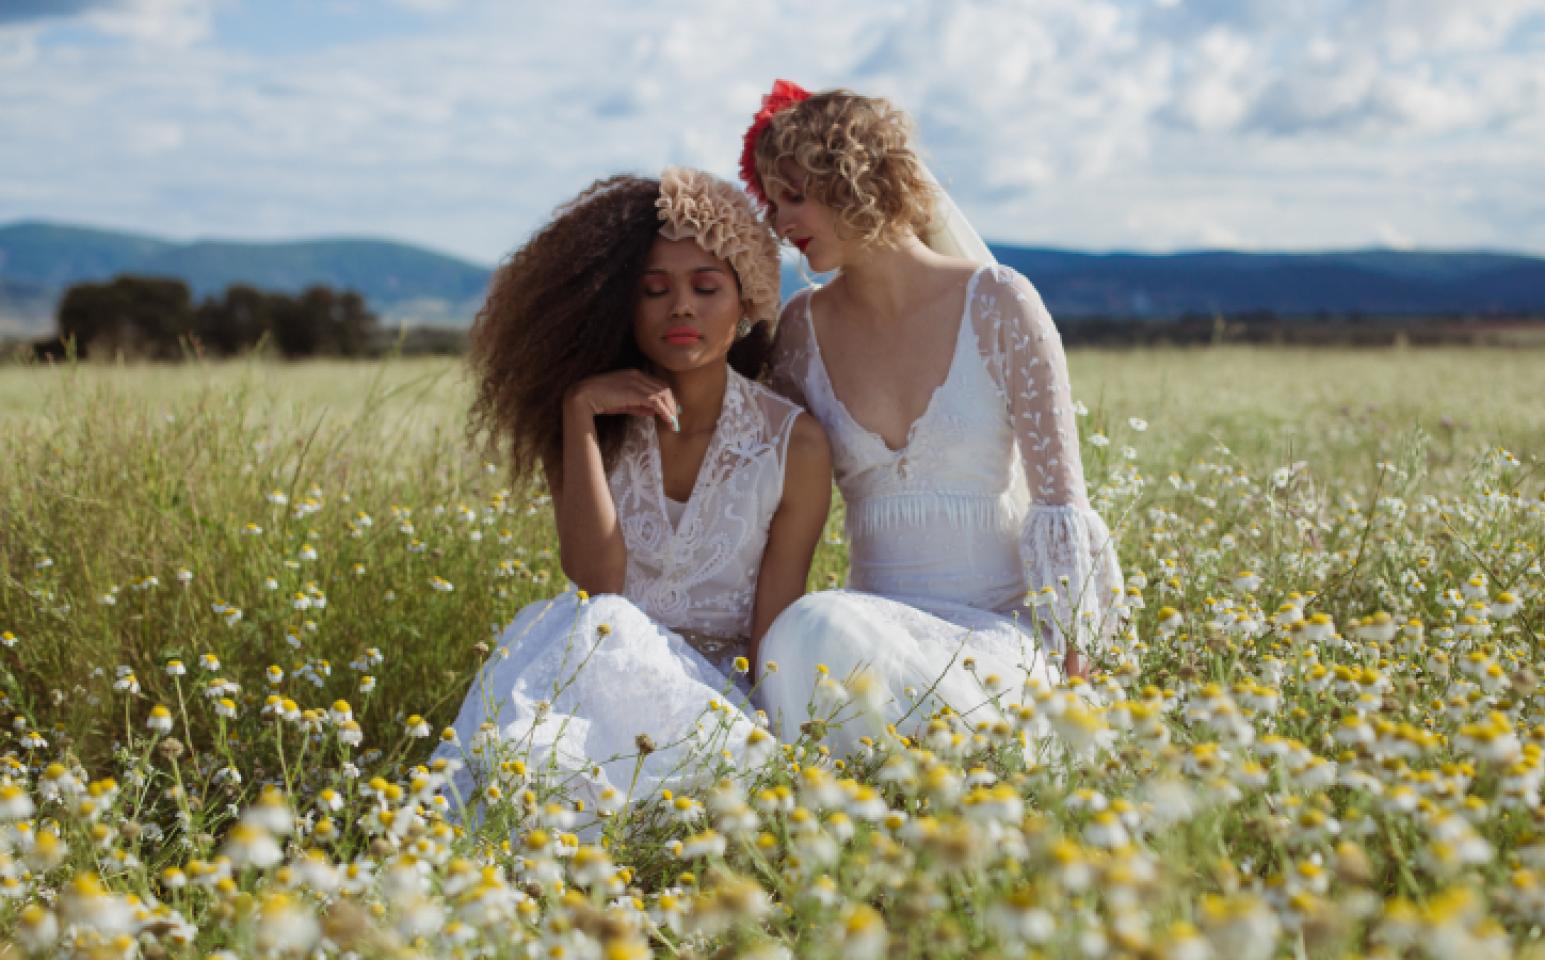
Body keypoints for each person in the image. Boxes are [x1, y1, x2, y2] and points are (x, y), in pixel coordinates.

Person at [435, 167, 831, 822]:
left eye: (706, 287)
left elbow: (774, 627)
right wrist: (579, 410)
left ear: (749, 301)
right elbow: (599, 581)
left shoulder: (796, 444)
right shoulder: (590, 420)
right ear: (623, 305)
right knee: (600, 625)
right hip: (595, 669)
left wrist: (778, 746)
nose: (681, 307)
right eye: (654, 290)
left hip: (708, 693)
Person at [744, 82, 1125, 753]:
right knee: (810, 629)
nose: (779, 221)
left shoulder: (998, 303)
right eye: (772, 201)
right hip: (869, 632)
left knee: (822, 631)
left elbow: (1061, 507)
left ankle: (968, 756)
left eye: (795, 195)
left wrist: (1077, 677)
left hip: (996, 640)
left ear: (859, 179)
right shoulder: (800, 331)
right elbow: (762, 491)